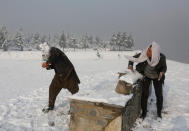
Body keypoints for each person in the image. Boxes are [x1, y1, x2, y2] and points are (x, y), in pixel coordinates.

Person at [126, 42, 167, 119]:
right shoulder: (144, 54)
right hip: (146, 76)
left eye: (150, 51)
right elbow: (132, 58)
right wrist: (130, 65)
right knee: (144, 94)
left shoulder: (161, 57)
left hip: (157, 77)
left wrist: (162, 72)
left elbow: (164, 67)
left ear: (155, 52)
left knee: (159, 95)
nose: (147, 52)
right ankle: (144, 113)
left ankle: (159, 113)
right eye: (148, 50)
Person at [42, 47, 80, 113]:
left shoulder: (54, 50)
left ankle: (75, 108)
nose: (46, 58)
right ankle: (50, 106)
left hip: (69, 74)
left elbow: (54, 56)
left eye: (46, 56)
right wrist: (49, 66)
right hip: (59, 76)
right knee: (52, 88)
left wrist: (47, 62)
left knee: (75, 92)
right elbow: (54, 64)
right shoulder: (53, 57)